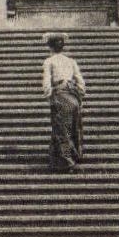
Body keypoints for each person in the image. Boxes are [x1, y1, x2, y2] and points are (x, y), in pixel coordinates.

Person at [41, 33, 85, 172]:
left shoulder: (49, 61)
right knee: (73, 128)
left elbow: (47, 83)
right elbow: (81, 82)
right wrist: (79, 96)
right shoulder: (71, 61)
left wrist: (49, 96)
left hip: (60, 97)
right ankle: (65, 158)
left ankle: (68, 162)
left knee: (61, 130)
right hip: (73, 97)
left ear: (50, 47)